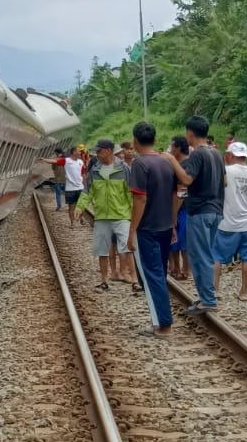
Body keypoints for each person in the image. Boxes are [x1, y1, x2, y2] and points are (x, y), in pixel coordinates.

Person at [164, 116, 225, 315]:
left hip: (200, 211)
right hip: (216, 210)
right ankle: (205, 297)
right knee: (206, 253)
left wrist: (172, 160)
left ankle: (208, 299)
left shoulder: (198, 155)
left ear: (190, 133)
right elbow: (224, 182)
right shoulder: (216, 154)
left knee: (201, 256)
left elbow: (187, 179)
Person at [126, 122, 175, 338]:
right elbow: (174, 196)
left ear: (135, 142)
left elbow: (140, 199)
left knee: (151, 275)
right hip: (165, 226)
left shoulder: (140, 164)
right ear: (155, 140)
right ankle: (162, 321)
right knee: (160, 273)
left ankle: (163, 325)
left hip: (148, 229)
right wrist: (173, 224)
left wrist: (132, 230)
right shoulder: (165, 163)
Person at [78, 140, 140, 294]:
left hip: (121, 215)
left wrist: (134, 214)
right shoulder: (95, 170)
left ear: (108, 151)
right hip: (102, 217)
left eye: (99, 151)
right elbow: (88, 191)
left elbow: (130, 193)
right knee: (102, 250)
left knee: (127, 249)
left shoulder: (124, 169)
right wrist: (80, 207)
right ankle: (104, 281)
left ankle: (135, 280)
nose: (96, 154)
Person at [214, 141, 247, 302]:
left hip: (227, 222)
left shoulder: (226, 171)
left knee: (217, 256)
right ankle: (243, 293)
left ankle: (216, 290)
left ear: (231, 155)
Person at [167, 136, 190, 280]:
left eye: (172, 147)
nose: (170, 150)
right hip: (179, 207)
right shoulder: (180, 164)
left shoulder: (185, 166)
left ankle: (185, 269)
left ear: (178, 148)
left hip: (183, 208)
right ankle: (176, 267)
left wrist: (173, 214)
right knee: (177, 241)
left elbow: (182, 191)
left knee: (181, 240)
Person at [61, 150, 85, 227]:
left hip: (80, 187)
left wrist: (85, 184)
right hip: (70, 188)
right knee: (71, 207)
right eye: (78, 151)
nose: (80, 153)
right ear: (73, 152)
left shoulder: (81, 162)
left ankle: (81, 218)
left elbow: (83, 173)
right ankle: (72, 223)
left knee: (81, 205)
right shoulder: (66, 161)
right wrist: (44, 160)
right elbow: (55, 161)